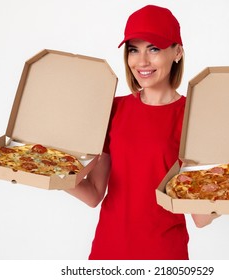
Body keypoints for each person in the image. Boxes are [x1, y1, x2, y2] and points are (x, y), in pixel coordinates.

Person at [65, 4, 219, 260]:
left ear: (178, 52)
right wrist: (50, 173)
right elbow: (93, 193)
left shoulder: (193, 118)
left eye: (154, 49)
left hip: (163, 256)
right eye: (133, 50)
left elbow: (200, 218)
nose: (142, 61)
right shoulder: (114, 109)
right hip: (108, 251)